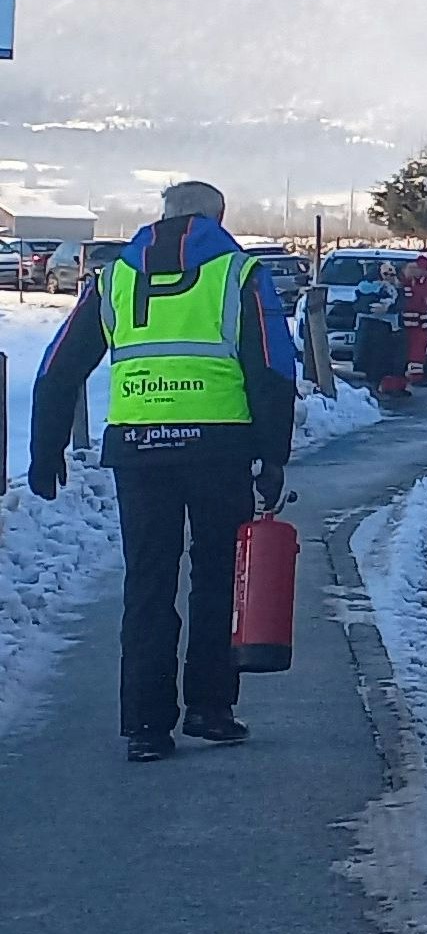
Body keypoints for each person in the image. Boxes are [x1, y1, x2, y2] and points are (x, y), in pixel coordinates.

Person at [28, 181, 297, 762]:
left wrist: (45, 449)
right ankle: (210, 708)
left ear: (163, 216)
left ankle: (146, 727)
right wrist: (274, 454)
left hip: (138, 449)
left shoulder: (114, 278)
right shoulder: (240, 275)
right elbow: (274, 366)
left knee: (147, 583)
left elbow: (59, 366)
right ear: (218, 217)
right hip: (220, 449)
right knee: (217, 579)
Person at [354, 261, 408, 398]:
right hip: (368, 327)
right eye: (386, 274)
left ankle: (379, 387)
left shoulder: (396, 289)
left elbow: (401, 304)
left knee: (384, 361)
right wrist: (372, 307)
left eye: (392, 274)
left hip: (387, 329)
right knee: (366, 360)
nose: (389, 276)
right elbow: (358, 305)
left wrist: (388, 308)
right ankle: (367, 390)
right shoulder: (364, 287)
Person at [400, 254, 427, 386]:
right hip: (405, 323)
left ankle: (416, 377)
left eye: (424, 269)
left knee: (419, 350)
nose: (421, 272)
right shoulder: (404, 281)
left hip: (422, 322)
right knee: (406, 350)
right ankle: (403, 375)